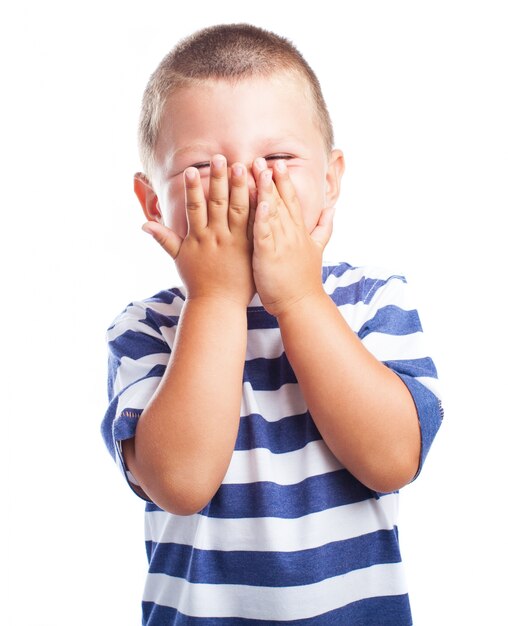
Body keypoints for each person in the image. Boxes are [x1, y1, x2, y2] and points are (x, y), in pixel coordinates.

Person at [101, 23, 443, 625]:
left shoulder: (369, 300)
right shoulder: (148, 327)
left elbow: (393, 460)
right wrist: (215, 301)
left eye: (279, 158)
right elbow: (178, 483)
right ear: (153, 201)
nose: (244, 186)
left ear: (330, 179)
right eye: (203, 168)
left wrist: (302, 299)